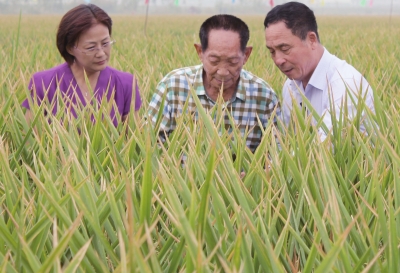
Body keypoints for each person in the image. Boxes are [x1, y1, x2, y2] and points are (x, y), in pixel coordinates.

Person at [148, 14, 280, 152]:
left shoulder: (264, 97)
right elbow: (149, 144)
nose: (223, 72)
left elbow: (277, 153)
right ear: (200, 52)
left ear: (246, 55)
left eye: (232, 62)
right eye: (214, 61)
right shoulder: (172, 86)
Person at [264, 2, 374, 141]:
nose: (278, 60)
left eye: (285, 49)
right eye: (272, 51)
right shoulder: (290, 86)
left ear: (311, 40)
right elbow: (288, 141)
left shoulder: (344, 83)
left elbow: (323, 148)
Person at [22, 4, 141, 127]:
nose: (101, 53)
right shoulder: (43, 83)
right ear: (70, 48)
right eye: (91, 47)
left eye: (106, 43)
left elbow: (133, 139)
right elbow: (30, 141)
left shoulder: (126, 84)